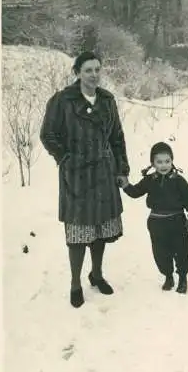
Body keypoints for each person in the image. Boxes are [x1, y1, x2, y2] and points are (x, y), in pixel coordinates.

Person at [40, 51, 130, 308]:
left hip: (104, 172)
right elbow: (48, 134)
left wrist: (121, 168)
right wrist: (65, 159)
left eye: (97, 69)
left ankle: (97, 274)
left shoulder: (108, 100)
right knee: (78, 232)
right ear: (77, 72)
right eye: (88, 70)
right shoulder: (62, 101)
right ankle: (75, 283)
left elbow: (117, 137)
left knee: (100, 228)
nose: (93, 75)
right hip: (76, 175)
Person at [119, 142, 188, 294]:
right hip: (156, 222)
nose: (163, 165)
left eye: (167, 161)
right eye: (159, 162)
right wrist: (126, 185)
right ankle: (168, 276)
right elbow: (135, 192)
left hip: (177, 222)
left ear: (172, 161)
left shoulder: (179, 181)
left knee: (181, 251)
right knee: (161, 253)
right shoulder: (149, 180)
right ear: (152, 163)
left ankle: (182, 278)